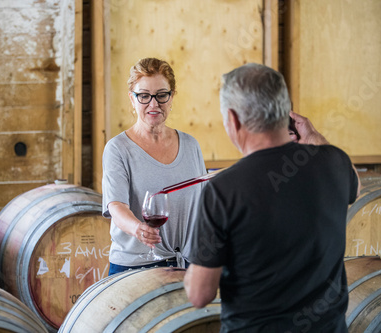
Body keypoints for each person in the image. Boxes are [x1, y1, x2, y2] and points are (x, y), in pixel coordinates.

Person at [184, 63, 360, 332]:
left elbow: (200, 295)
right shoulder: (335, 162)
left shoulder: (223, 189)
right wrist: (314, 136)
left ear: (233, 119)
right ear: (285, 111)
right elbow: (355, 187)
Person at [102, 57, 207, 275]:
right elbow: (116, 206)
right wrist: (137, 229)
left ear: (171, 97)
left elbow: (203, 204)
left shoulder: (190, 145)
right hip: (135, 266)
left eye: (161, 95)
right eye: (143, 96)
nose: (153, 104)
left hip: (186, 265)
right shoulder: (118, 149)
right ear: (132, 99)